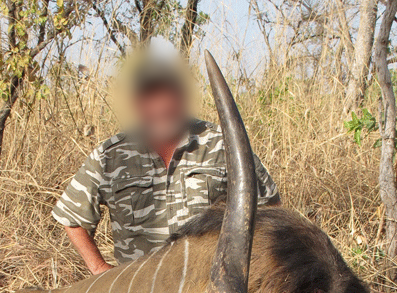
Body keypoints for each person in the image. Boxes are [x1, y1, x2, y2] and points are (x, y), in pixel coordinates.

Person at [52, 39, 280, 274]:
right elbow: (72, 216)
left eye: (168, 95)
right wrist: (99, 268)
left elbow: (271, 210)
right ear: (137, 103)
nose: (160, 106)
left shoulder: (223, 145)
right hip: (137, 289)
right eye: (151, 97)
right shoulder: (110, 155)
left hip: (204, 283)